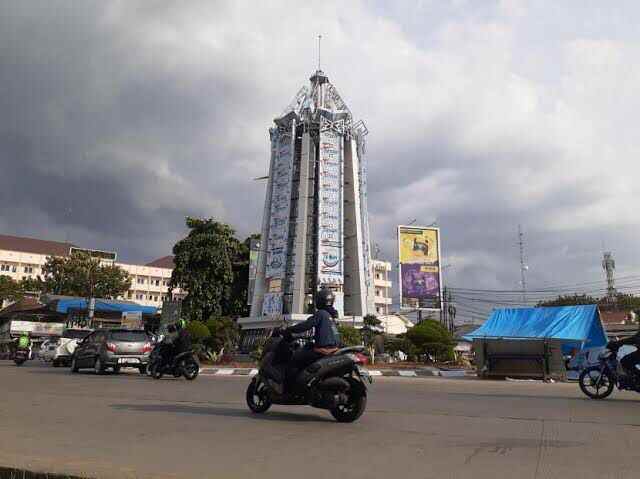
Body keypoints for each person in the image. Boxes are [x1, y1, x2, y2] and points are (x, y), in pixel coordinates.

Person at [282, 288, 341, 378]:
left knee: (294, 359)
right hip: (334, 349)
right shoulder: (332, 316)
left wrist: (290, 329)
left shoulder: (321, 313)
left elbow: (306, 325)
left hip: (323, 351)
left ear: (320, 301)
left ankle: (289, 388)